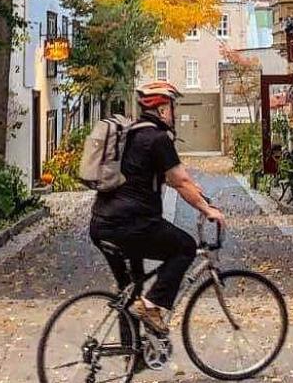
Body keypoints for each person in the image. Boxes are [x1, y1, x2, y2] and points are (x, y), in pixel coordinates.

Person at [89, 81, 226, 335]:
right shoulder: (157, 139)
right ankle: (152, 307)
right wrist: (208, 211)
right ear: (162, 109)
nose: (174, 113)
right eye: (172, 107)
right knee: (184, 247)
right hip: (132, 224)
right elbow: (180, 181)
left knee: (130, 290)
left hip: (102, 223)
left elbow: (176, 180)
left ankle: (133, 354)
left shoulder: (130, 135)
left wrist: (203, 200)